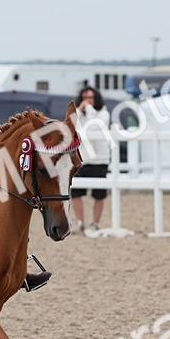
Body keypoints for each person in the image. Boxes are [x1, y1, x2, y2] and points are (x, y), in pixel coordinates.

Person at [70, 84, 111, 234]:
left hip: (100, 159)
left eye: (91, 98)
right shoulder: (79, 112)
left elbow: (97, 126)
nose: (88, 100)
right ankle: (80, 222)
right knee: (75, 193)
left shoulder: (104, 113)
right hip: (83, 159)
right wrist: (80, 111)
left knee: (99, 195)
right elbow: (71, 125)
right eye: (85, 98)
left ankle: (95, 223)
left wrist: (89, 109)